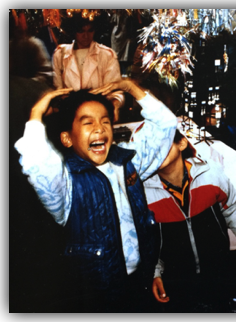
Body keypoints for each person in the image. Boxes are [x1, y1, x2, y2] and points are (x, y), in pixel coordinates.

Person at [14, 79, 177, 313]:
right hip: (95, 296)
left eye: (105, 121)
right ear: (67, 138)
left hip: (140, 281)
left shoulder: (127, 162)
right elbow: (37, 162)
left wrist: (131, 88)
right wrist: (36, 113)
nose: (99, 128)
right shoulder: (65, 183)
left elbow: (165, 126)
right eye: (87, 123)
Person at [146, 130, 236, 313]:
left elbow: (231, 207)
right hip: (175, 276)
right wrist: (154, 272)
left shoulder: (210, 173)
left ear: (181, 143)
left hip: (217, 267)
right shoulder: (144, 193)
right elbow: (146, 239)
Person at [52, 13, 125, 121]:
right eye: (81, 31)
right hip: (70, 118)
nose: (86, 36)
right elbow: (58, 92)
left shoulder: (107, 55)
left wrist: (115, 105)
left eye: (90, 30)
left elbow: (116, 92)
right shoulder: (60, 54)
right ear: (73, 31)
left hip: (99, 115)